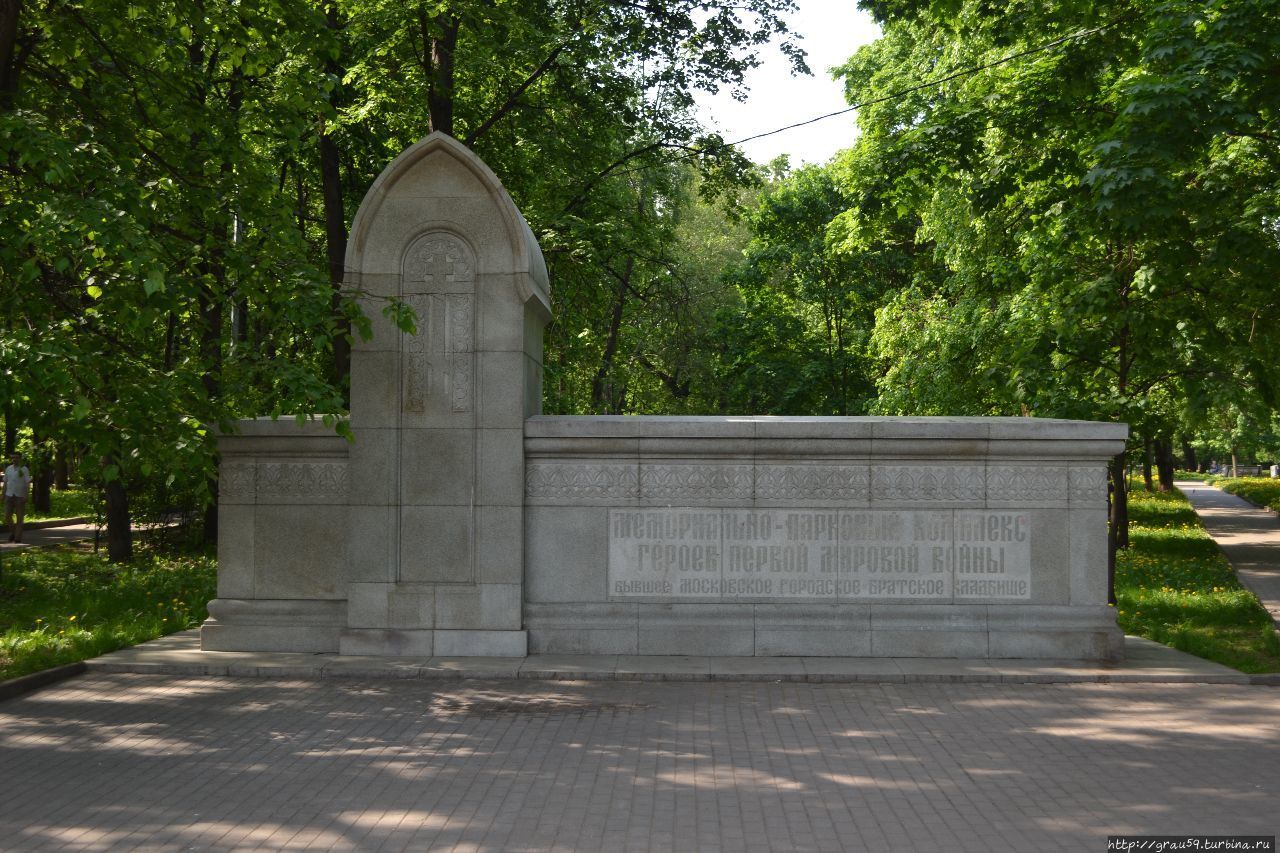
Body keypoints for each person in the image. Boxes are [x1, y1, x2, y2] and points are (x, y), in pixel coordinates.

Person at [3, 452, 33, 543]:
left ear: (20, 459)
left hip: (20, 496)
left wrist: (26, 495)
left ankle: (17, 538)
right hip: (9, 495)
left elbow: (27, 483)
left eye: (16, 458)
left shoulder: (24, 469)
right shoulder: (8, 469)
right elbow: (5, 482)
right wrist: (2, 494)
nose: (14, 459)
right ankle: (13, 532)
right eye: (13, 458)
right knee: (7, 515)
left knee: (19, 518)